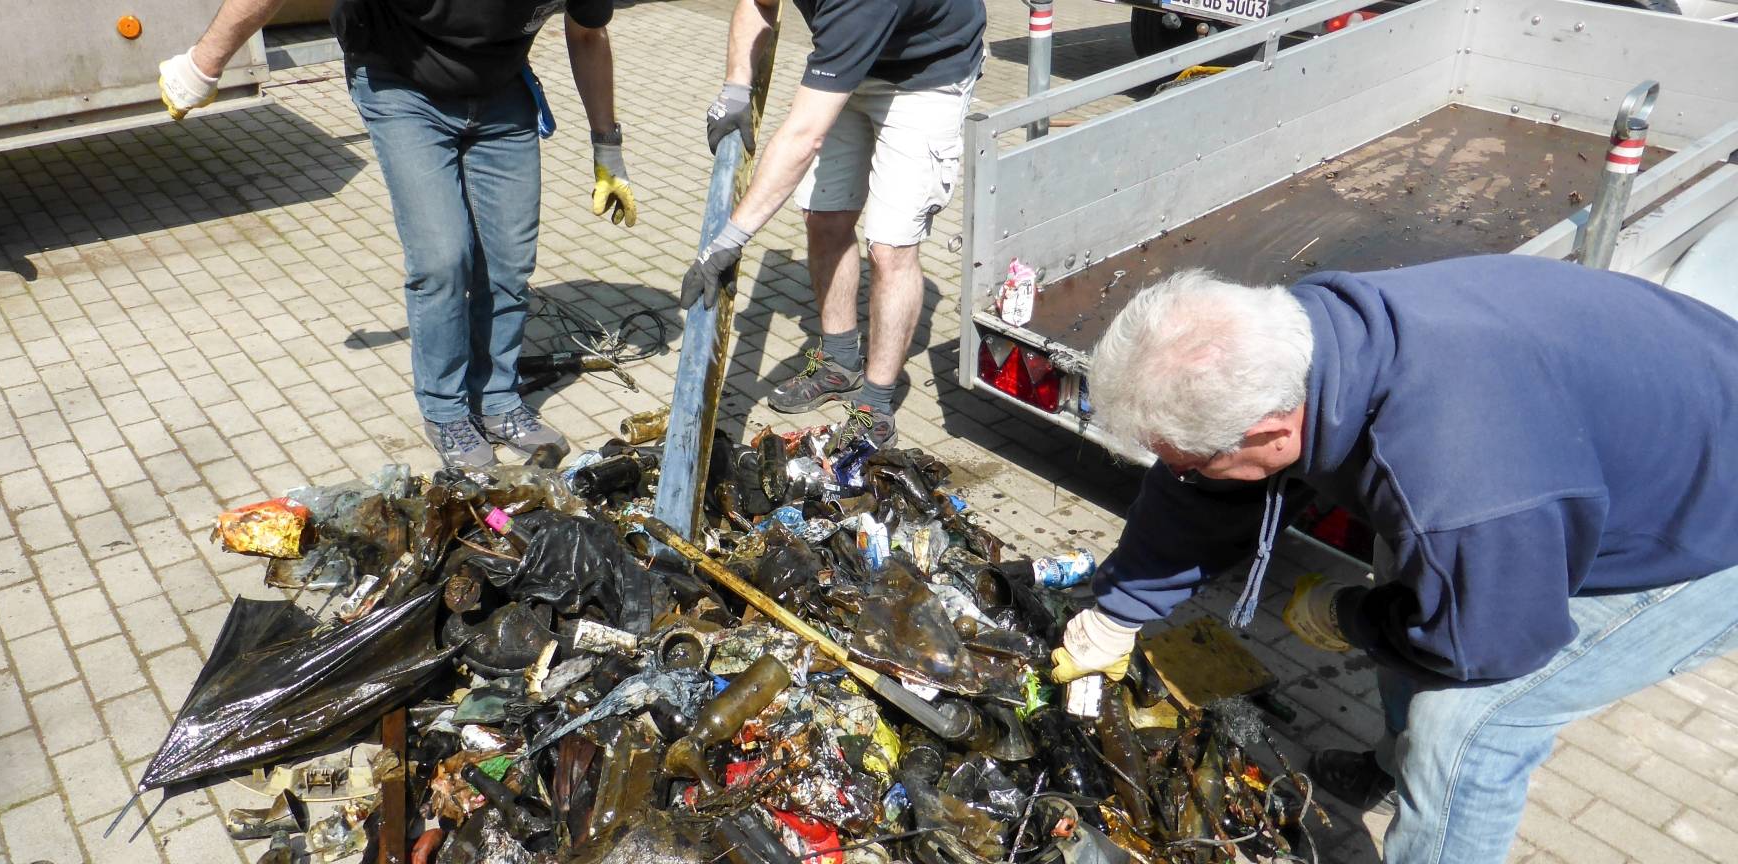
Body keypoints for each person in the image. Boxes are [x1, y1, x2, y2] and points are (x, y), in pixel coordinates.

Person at [1048, 255, 1738, 863]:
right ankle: (1392, 762)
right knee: (1420, 582)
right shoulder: (1307, 342)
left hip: (1706, 521)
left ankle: (1425, 779)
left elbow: (1489, 643)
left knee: (1465, 727)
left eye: (1190, 460)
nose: (1183, 473)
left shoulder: (1462, 487)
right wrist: (1118, 611)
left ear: (1270, 432)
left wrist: (1352, 616)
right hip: (1611, 437)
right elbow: (1203, 492)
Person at [158, 0, 643, 467]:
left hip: (500, 87)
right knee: (442, 260)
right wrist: (203, 65)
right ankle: (446, 411)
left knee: (509, 261)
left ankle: (497, 400)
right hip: (400, 81)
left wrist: (607, 147)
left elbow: (587, 33)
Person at [681, 0, 986, 449]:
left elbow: (804, 136)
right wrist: (735, 86)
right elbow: (758, 3)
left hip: (927, 75)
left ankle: (875, 406)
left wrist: (730, 239)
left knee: (890, 247)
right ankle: (840, 363)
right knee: (822, 216)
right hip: (854, 59)